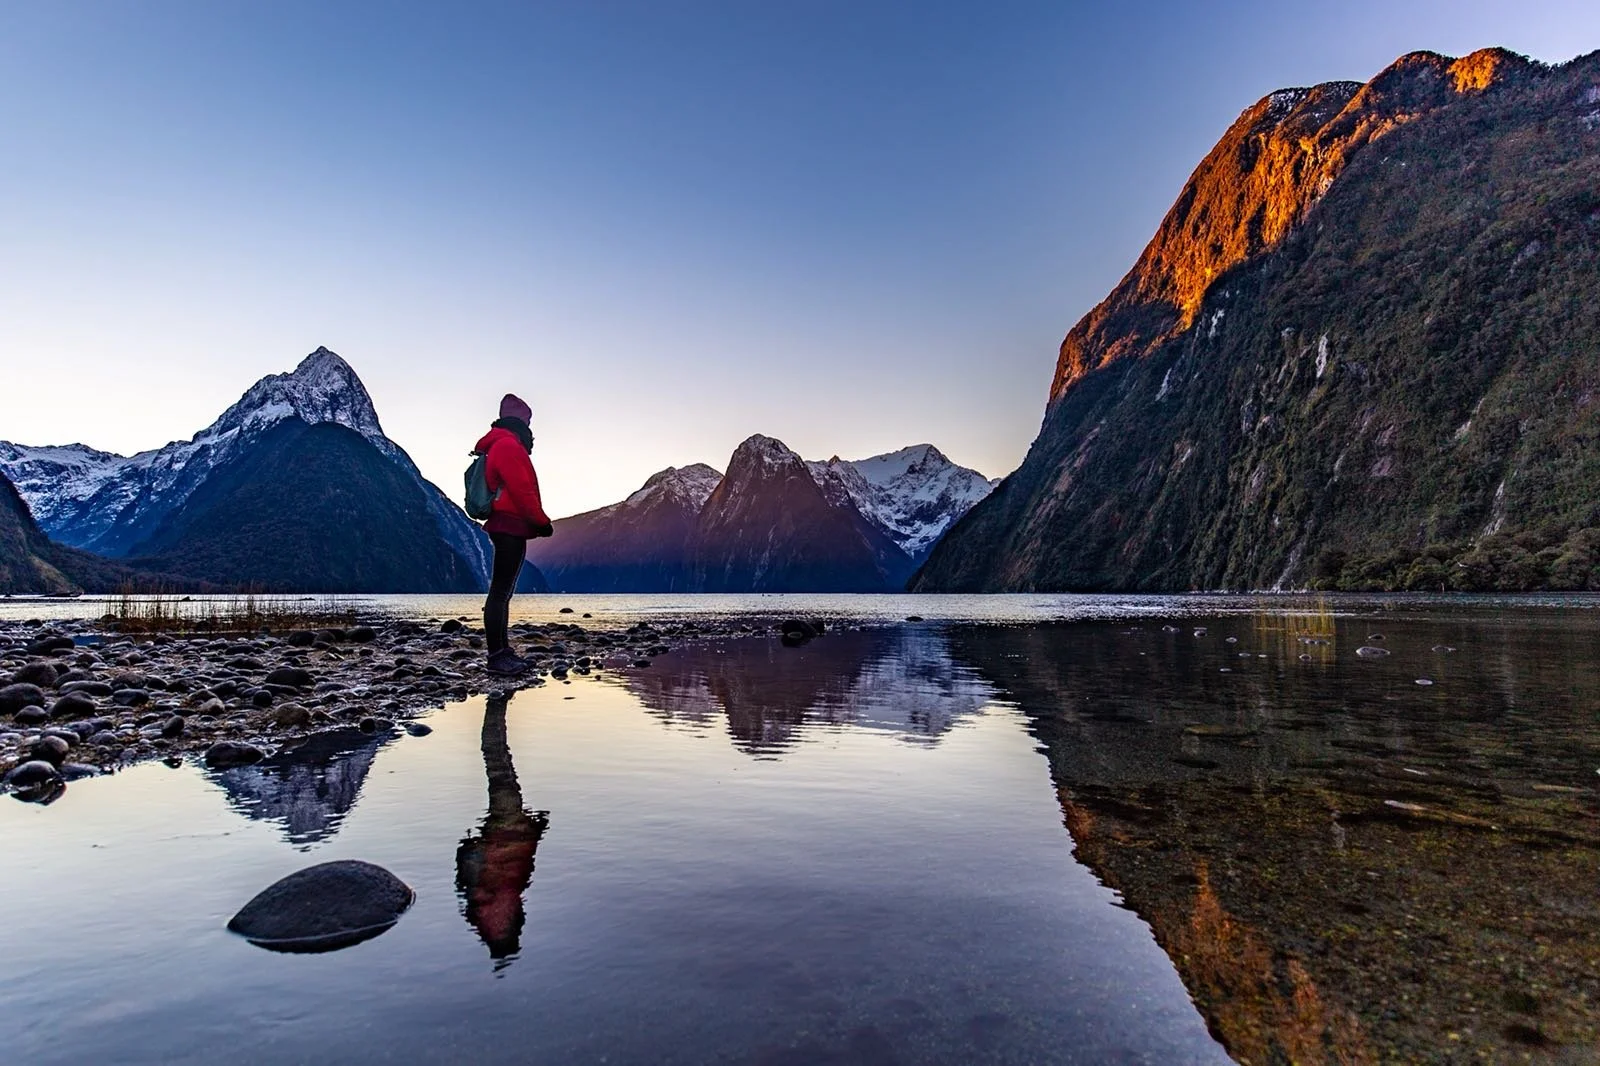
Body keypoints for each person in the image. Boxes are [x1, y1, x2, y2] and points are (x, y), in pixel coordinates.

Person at [455, 693, 548, 968]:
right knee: (499, 769)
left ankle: (496, 709)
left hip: (508, 831)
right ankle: (495, 709)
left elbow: (515, 871)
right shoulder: (492, 912)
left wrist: (533, 832)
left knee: (500, 771)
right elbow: (513, 871)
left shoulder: (487, 914)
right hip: (507, 831)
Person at [474, 393, 553, 676]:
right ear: (520, 420)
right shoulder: (509, 446)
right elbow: (522, 490)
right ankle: (497, 656)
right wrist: (541, 522)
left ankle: (502, 652)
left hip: (505, 524)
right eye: (528, 421)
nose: (531, 428)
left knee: (501, 592)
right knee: (500, 592)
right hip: (510, 525)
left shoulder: (501, 443)